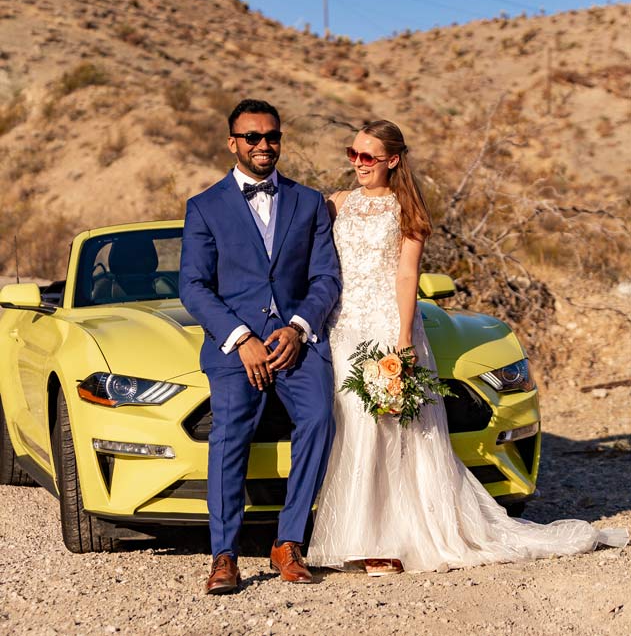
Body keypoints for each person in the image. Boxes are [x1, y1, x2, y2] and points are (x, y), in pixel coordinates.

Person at [307, 119, 628, 574]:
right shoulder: (336, 203)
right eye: (352, 154)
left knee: (389, 430)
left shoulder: (406, 211)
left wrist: (402, 340)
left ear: (392, 160)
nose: (357, 163)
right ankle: (350, 537)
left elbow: (405, 276)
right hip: (343, 327)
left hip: (385, 326)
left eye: (367, 156)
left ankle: (389, 539)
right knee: (352, 426)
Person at [180, 99, 340, 594]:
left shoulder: (309, 202)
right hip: (236, 348)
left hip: (296, 342)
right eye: (253, 137)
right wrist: (240, 337)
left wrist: (297, 328)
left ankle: (288, 542)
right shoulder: (204, 207)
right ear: (233, 143)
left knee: (319, 418)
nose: (264, 145)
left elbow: (326, 277)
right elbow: (193, 286)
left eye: (272, 136)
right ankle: (224, 555)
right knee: (229, 434)